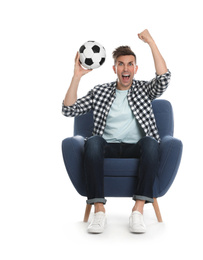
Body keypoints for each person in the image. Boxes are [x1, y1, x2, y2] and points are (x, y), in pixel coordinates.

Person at [62, 29, 171, 234]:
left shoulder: (144, 90)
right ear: (114, 68)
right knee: (93, 142)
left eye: (130, 64)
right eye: (121, 64)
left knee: (150, 142)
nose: (125, 68)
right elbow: (69, 109)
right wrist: (77, 76)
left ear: (136, 68)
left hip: (136, 147)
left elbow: (164, 78)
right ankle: (99, 211)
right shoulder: (100, 91)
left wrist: (151, 42)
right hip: (107, 146)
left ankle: (138, 211)